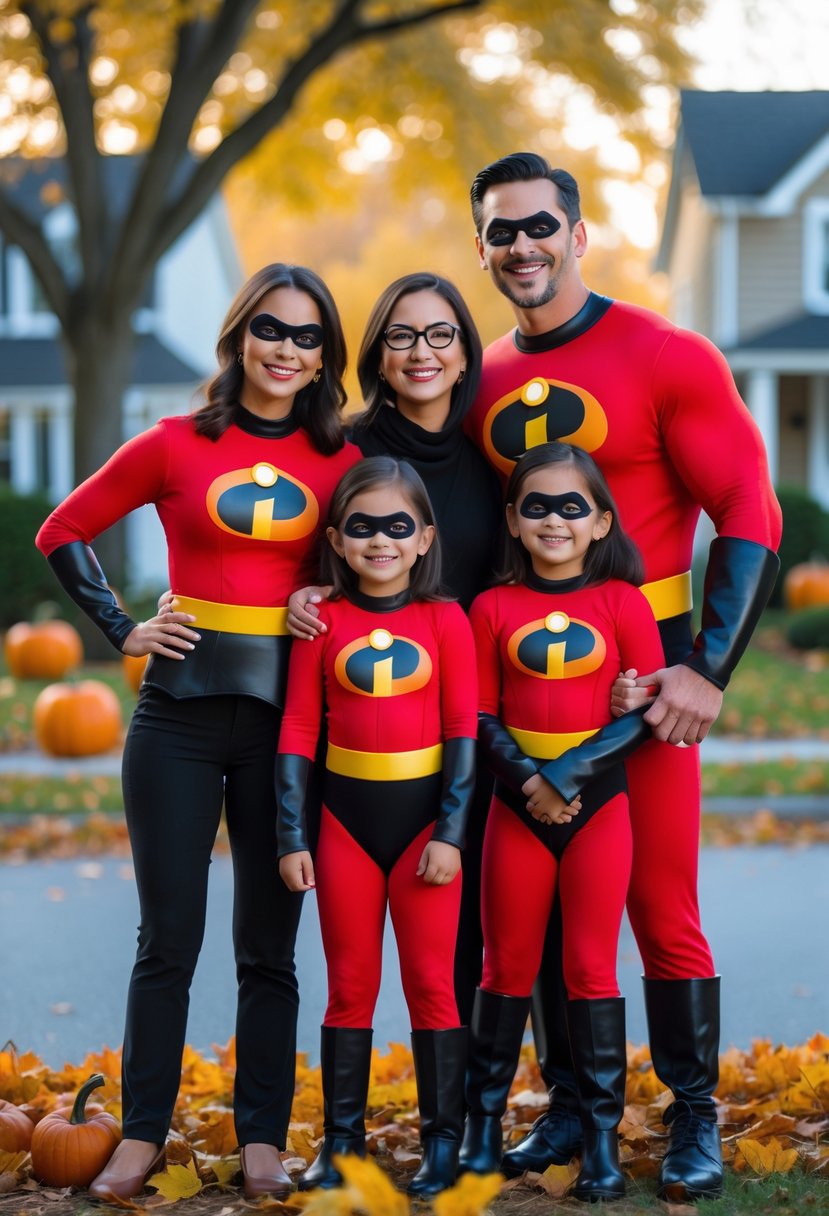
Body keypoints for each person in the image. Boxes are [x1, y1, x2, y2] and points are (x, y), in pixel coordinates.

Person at [463, 152, 782, 1201]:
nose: (522, 245)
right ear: (481, 247)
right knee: (545, 910)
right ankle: (569, 1105)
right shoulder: (479, 378)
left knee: (660, 900)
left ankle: (693, 1115)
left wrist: (706, 667)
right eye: (501, 230)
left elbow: (749, 507)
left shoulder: (666, 353)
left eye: (539, 225)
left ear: (577, 233)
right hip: (529, 682)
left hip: (649, 671)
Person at [35, 264, 361, 1203]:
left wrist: (326, 591)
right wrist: (121, 627)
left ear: (324, 358)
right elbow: (63, 529)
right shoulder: (175, 444)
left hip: (286, 730)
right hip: (173, 718)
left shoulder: (341, 461)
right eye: (270, 328)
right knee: (166, 941)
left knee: (268, 945)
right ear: (238, 335)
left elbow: (388, 556)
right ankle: (141, 1135)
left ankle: (262, 1138)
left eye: (306, 336)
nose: (285, 349)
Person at [287, 272, 502, 1023]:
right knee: (354, 965)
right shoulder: (339, 454)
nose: (421, 352)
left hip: (465, 720)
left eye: (440, 334)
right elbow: (297, 551)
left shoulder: (490, 461)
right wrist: (300, 593)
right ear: (377, 354)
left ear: (465, 354)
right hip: (359, 723)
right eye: (401, 336)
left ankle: (465, 1095)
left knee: (464, 934)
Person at [460, 442, 663, 1202]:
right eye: (536, 506)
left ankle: (600, 1145)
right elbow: (478, 714)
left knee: (590, 970)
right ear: (512, 520)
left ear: (600, 521)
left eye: (571, 507)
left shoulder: (624, 603)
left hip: (597, 810)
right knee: (504, 968)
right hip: (516, 812)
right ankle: (480, 1133)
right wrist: (529, 783)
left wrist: (566, 777)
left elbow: (641, 714)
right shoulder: (491, 608)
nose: (554, 521)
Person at [276, 456, 478, 1198]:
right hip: (343, 829)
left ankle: (443, 1145)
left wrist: (451, 832)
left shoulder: (445, 619)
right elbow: (299, 729)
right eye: (362, 526)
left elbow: (462, 732)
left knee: (431, 985)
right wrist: (291, 834)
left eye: (397, 526)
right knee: (349, 987)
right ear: (335, 538)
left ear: (424, 537)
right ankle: (341, 1144)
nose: (380, 540)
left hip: (426, 831)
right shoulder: (320, 621)